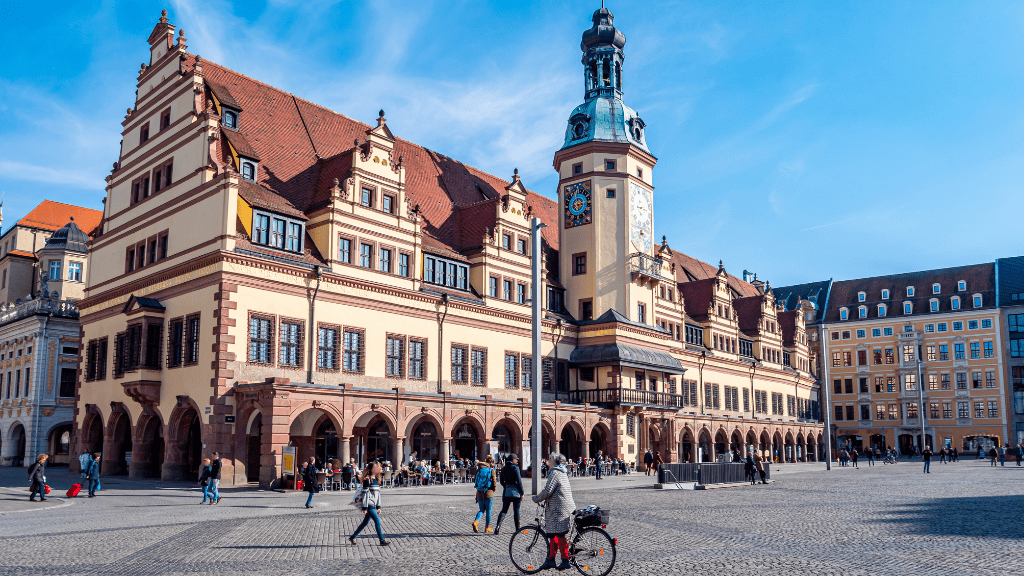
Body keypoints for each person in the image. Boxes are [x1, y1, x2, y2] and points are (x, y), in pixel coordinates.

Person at [532, 452, 577, 572]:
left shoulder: (555, 472)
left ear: (555, 462)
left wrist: (536, 498)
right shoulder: (562, 472)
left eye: (550, 459)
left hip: (559, 508)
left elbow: (548, 490)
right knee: (553, 533)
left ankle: (565, 560)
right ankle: (551, 559)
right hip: (563, 507)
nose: (548, 461)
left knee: (560, 534)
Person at [349, 462, 391, 546]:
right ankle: (381, 540)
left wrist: (379, 506)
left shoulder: (376, 479)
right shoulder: (367, 480)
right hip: (369, 504)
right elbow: (365, 494)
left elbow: (378, 494)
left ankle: (352, 537)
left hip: (373, 504)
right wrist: (364, 507)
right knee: (377, 520)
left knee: (365, 522)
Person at [494, 453, 524, 536]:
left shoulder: (504, 468)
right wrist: (522, 492)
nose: (517, 460)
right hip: (516, 492)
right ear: (512, 460)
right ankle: (517, 529)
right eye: (516, 459)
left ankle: (497, 527)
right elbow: (519, 481)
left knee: (504, 510)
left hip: (507, 492)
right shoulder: (515, 468)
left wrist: (506, 486)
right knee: (516, 511)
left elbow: (501, 481)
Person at [472, 455, 497, 533]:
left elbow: (475, 480)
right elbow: (494, 482)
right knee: (488, 510)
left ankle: (476, 522)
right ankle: (487, 527)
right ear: (491, 462)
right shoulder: (491, 470)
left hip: (479, 492)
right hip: (488, 492)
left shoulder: (479, 469)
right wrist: (494, 490)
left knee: (481, 510)